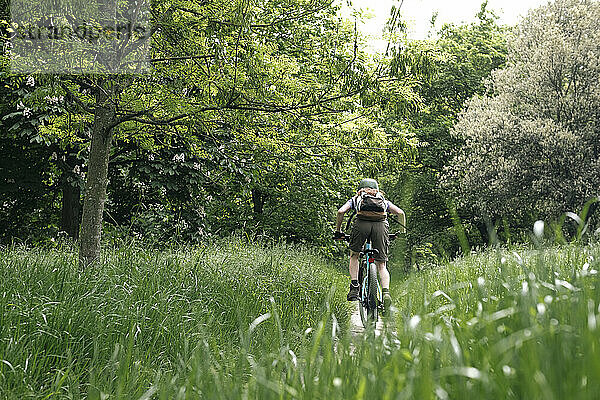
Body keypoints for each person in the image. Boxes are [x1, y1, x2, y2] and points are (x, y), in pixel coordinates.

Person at [334, 178, 406, 310]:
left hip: (361, 224)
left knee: (354, 255)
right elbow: (400, 213)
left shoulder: (357, 199)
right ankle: (386, 293)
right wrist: (402, 232)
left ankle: (355, 287)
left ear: (360, 189)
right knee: (382, 264)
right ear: (377, 189)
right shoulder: (383, 200)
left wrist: (338, 231)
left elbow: (341, 212)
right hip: (381, 226)